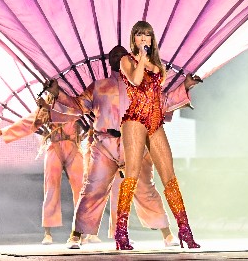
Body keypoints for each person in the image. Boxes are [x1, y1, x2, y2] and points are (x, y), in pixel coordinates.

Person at [52, 45, 200, 249]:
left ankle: (168, 235)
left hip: (136, 142)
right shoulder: (98, 86)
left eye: (122, 54)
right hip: (105, 144)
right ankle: (75, 236)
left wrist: (186, 85)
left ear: (130, 59)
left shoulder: (144, 85)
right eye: (114, 55)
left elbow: (163, 102)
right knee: (93, 188)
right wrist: (57, 93)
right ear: (109, 62)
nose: (118, 57)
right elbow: (77, 106)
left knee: (145, 189)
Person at [115, 21, 200, 250]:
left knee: (169, 176)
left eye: (148, 35)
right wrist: (141, 57)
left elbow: (159, 99)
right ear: (134, 39)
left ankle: (185, 230)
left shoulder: (158, 66)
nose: (144, 39)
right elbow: (135, 80)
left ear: (153, 40)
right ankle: (120, 232)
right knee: (132, 174)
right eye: (140, 35)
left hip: (154, 120)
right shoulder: (126, 60)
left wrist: (186, 86)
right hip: (134, 120)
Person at [0, 83, 86, 245]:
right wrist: (4, 132)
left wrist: (48, 108)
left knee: (81, 187)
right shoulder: (46, 104)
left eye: (53, 86)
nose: (50, 88)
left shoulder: (74, 102)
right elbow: (29, 123)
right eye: (49, 86)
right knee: (50, 188)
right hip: (55, 147)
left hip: (72, 147)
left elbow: (74, 115)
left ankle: (80, 231)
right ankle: (48, 233)